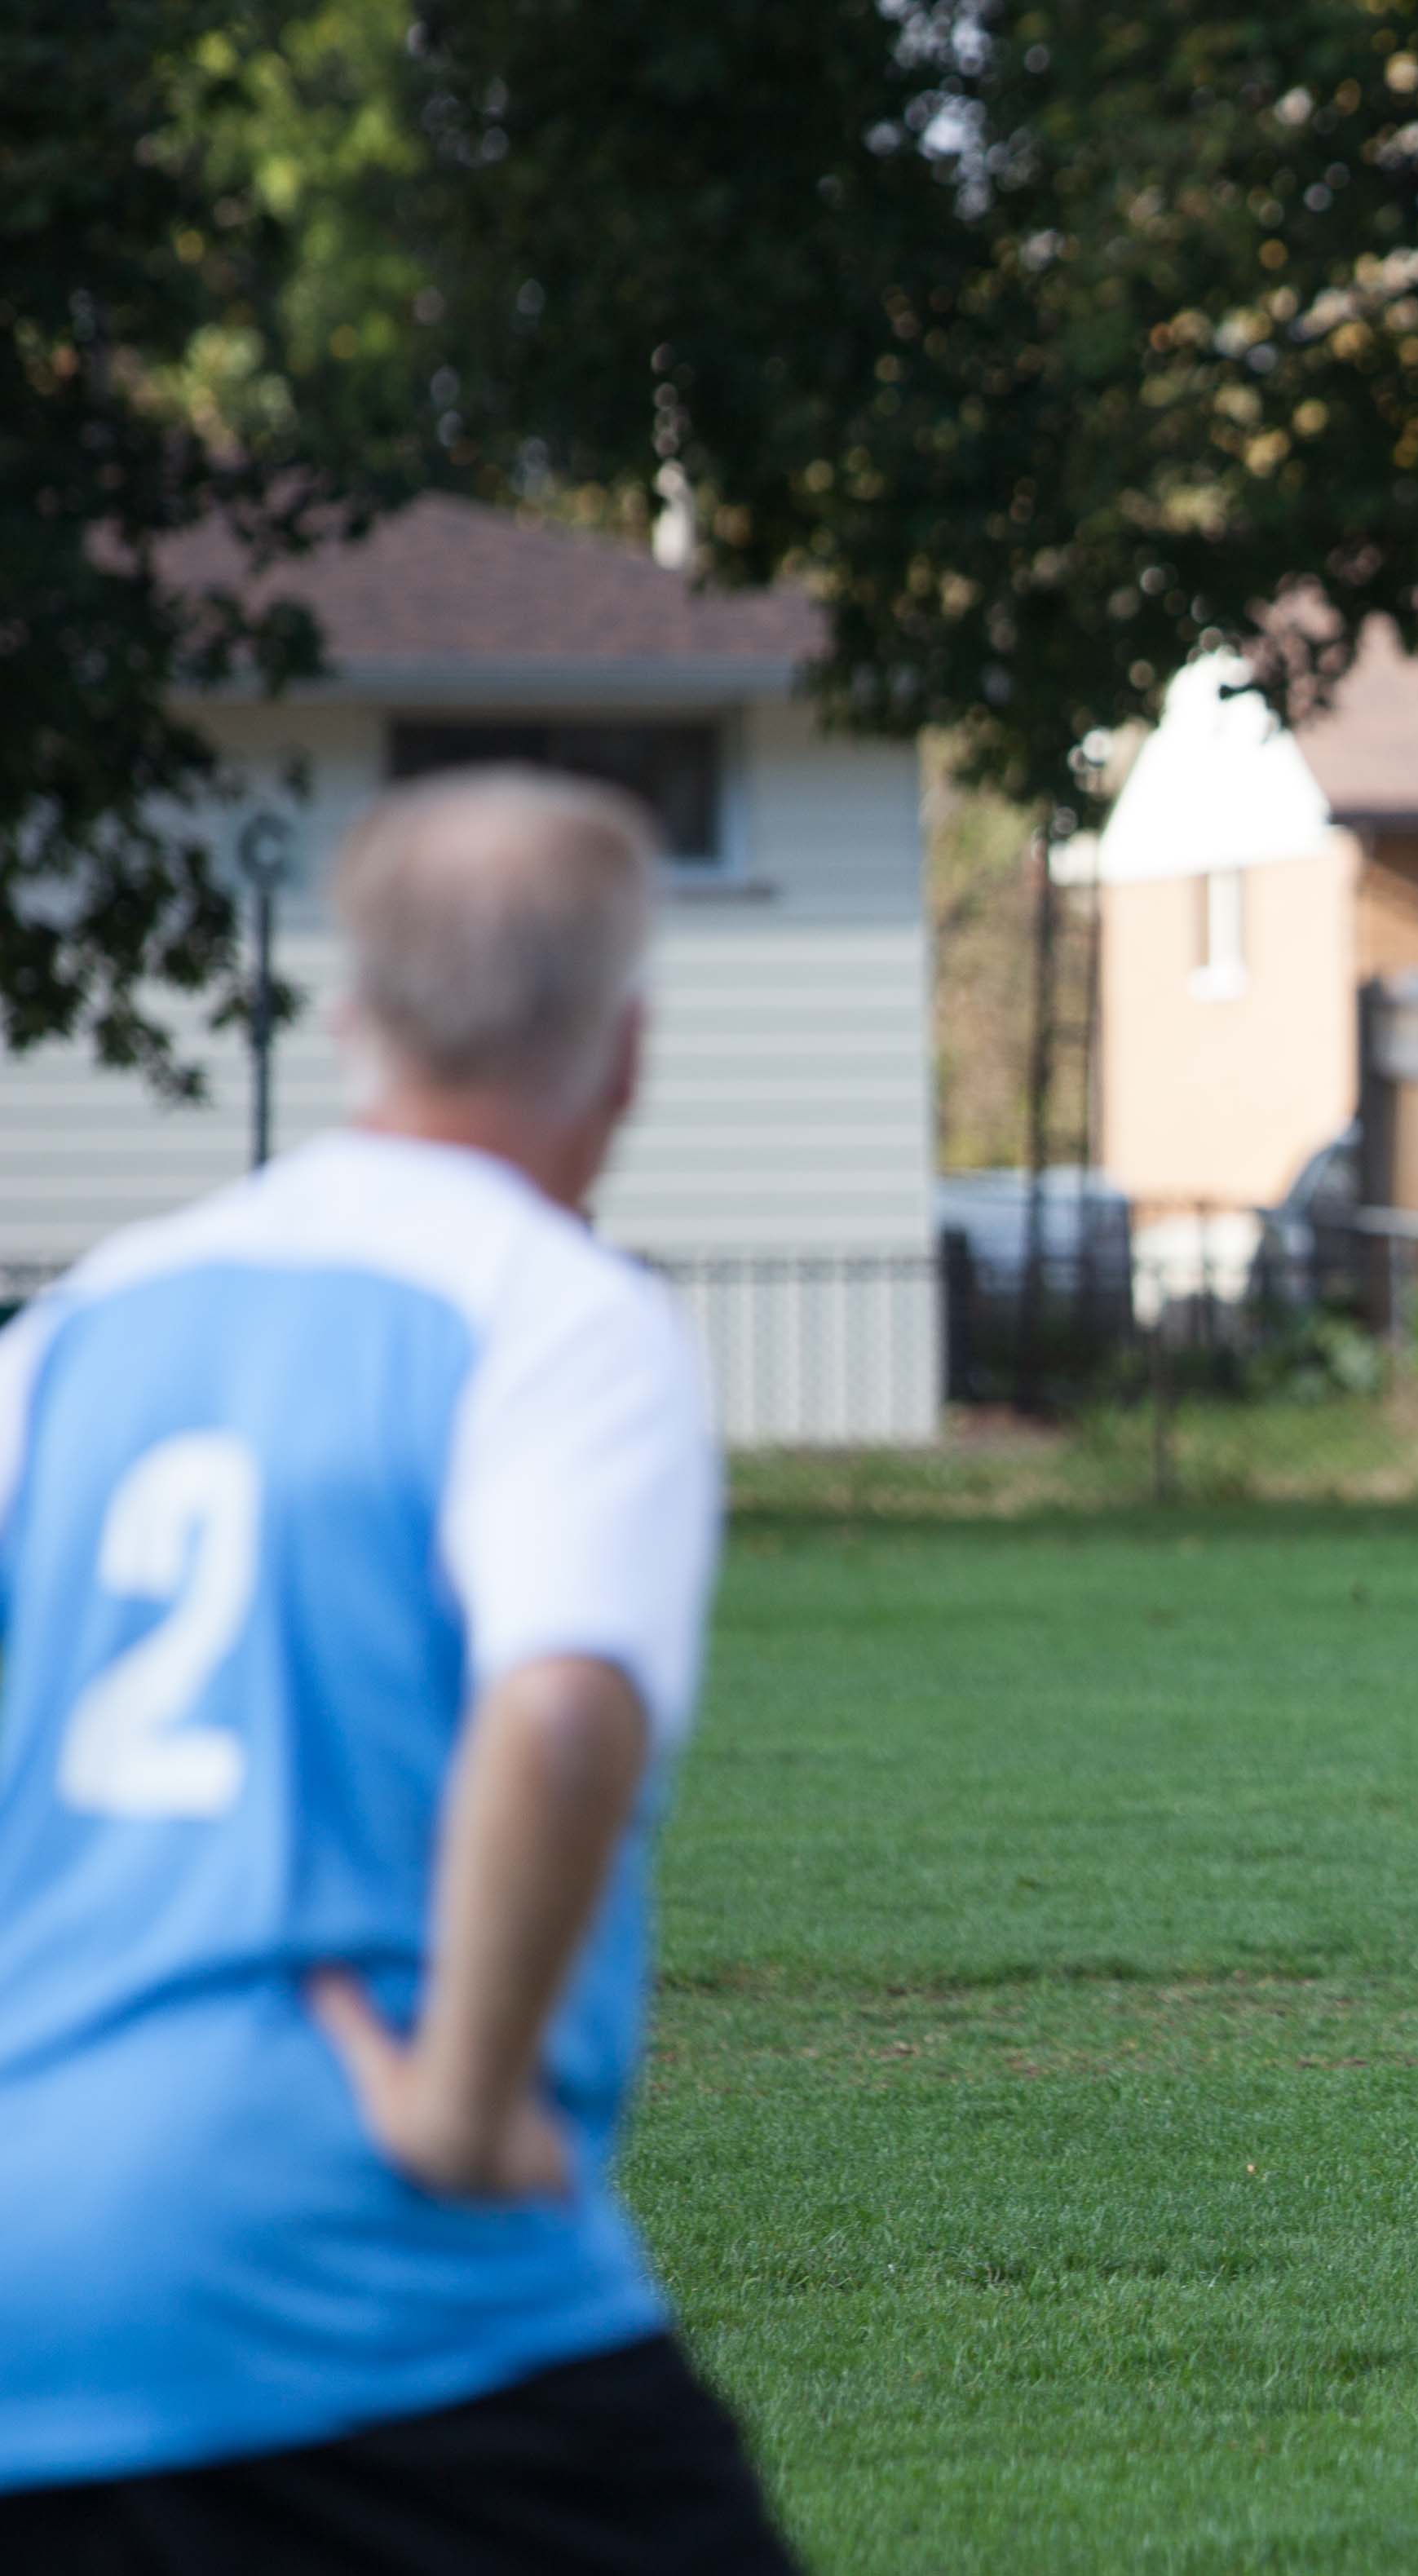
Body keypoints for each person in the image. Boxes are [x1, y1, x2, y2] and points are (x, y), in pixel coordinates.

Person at [0, 772, 797, 2569]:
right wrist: (459, 2095)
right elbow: (562, 1707)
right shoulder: (553, 1314)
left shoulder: (87, 1321)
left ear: (351, 1013)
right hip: (360, 2260)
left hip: (29, 2294)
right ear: (629, 1050)